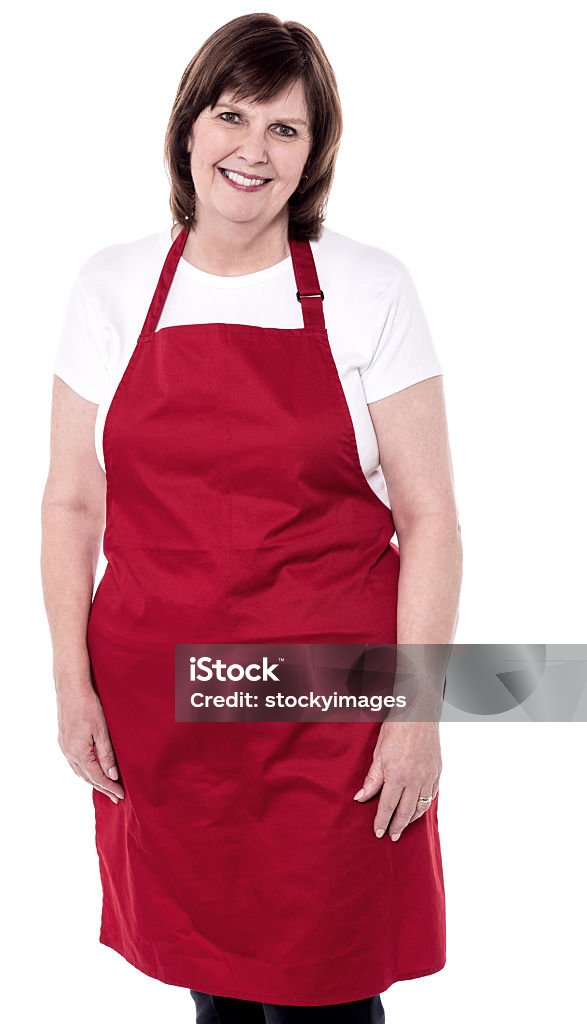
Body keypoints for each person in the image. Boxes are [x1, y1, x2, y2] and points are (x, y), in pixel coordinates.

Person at [41, 12, 463, 1022]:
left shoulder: (369, 289)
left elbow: (431, 519)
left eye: (285, 129)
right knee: (216, 993)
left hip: (329, 717)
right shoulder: (110, 285)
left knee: (324, 992)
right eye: (232, 115)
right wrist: (70, 683)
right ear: (189, 126)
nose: (251, 149)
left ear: (314, 154)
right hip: (164, 713)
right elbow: (70, 498)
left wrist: (413, 711)